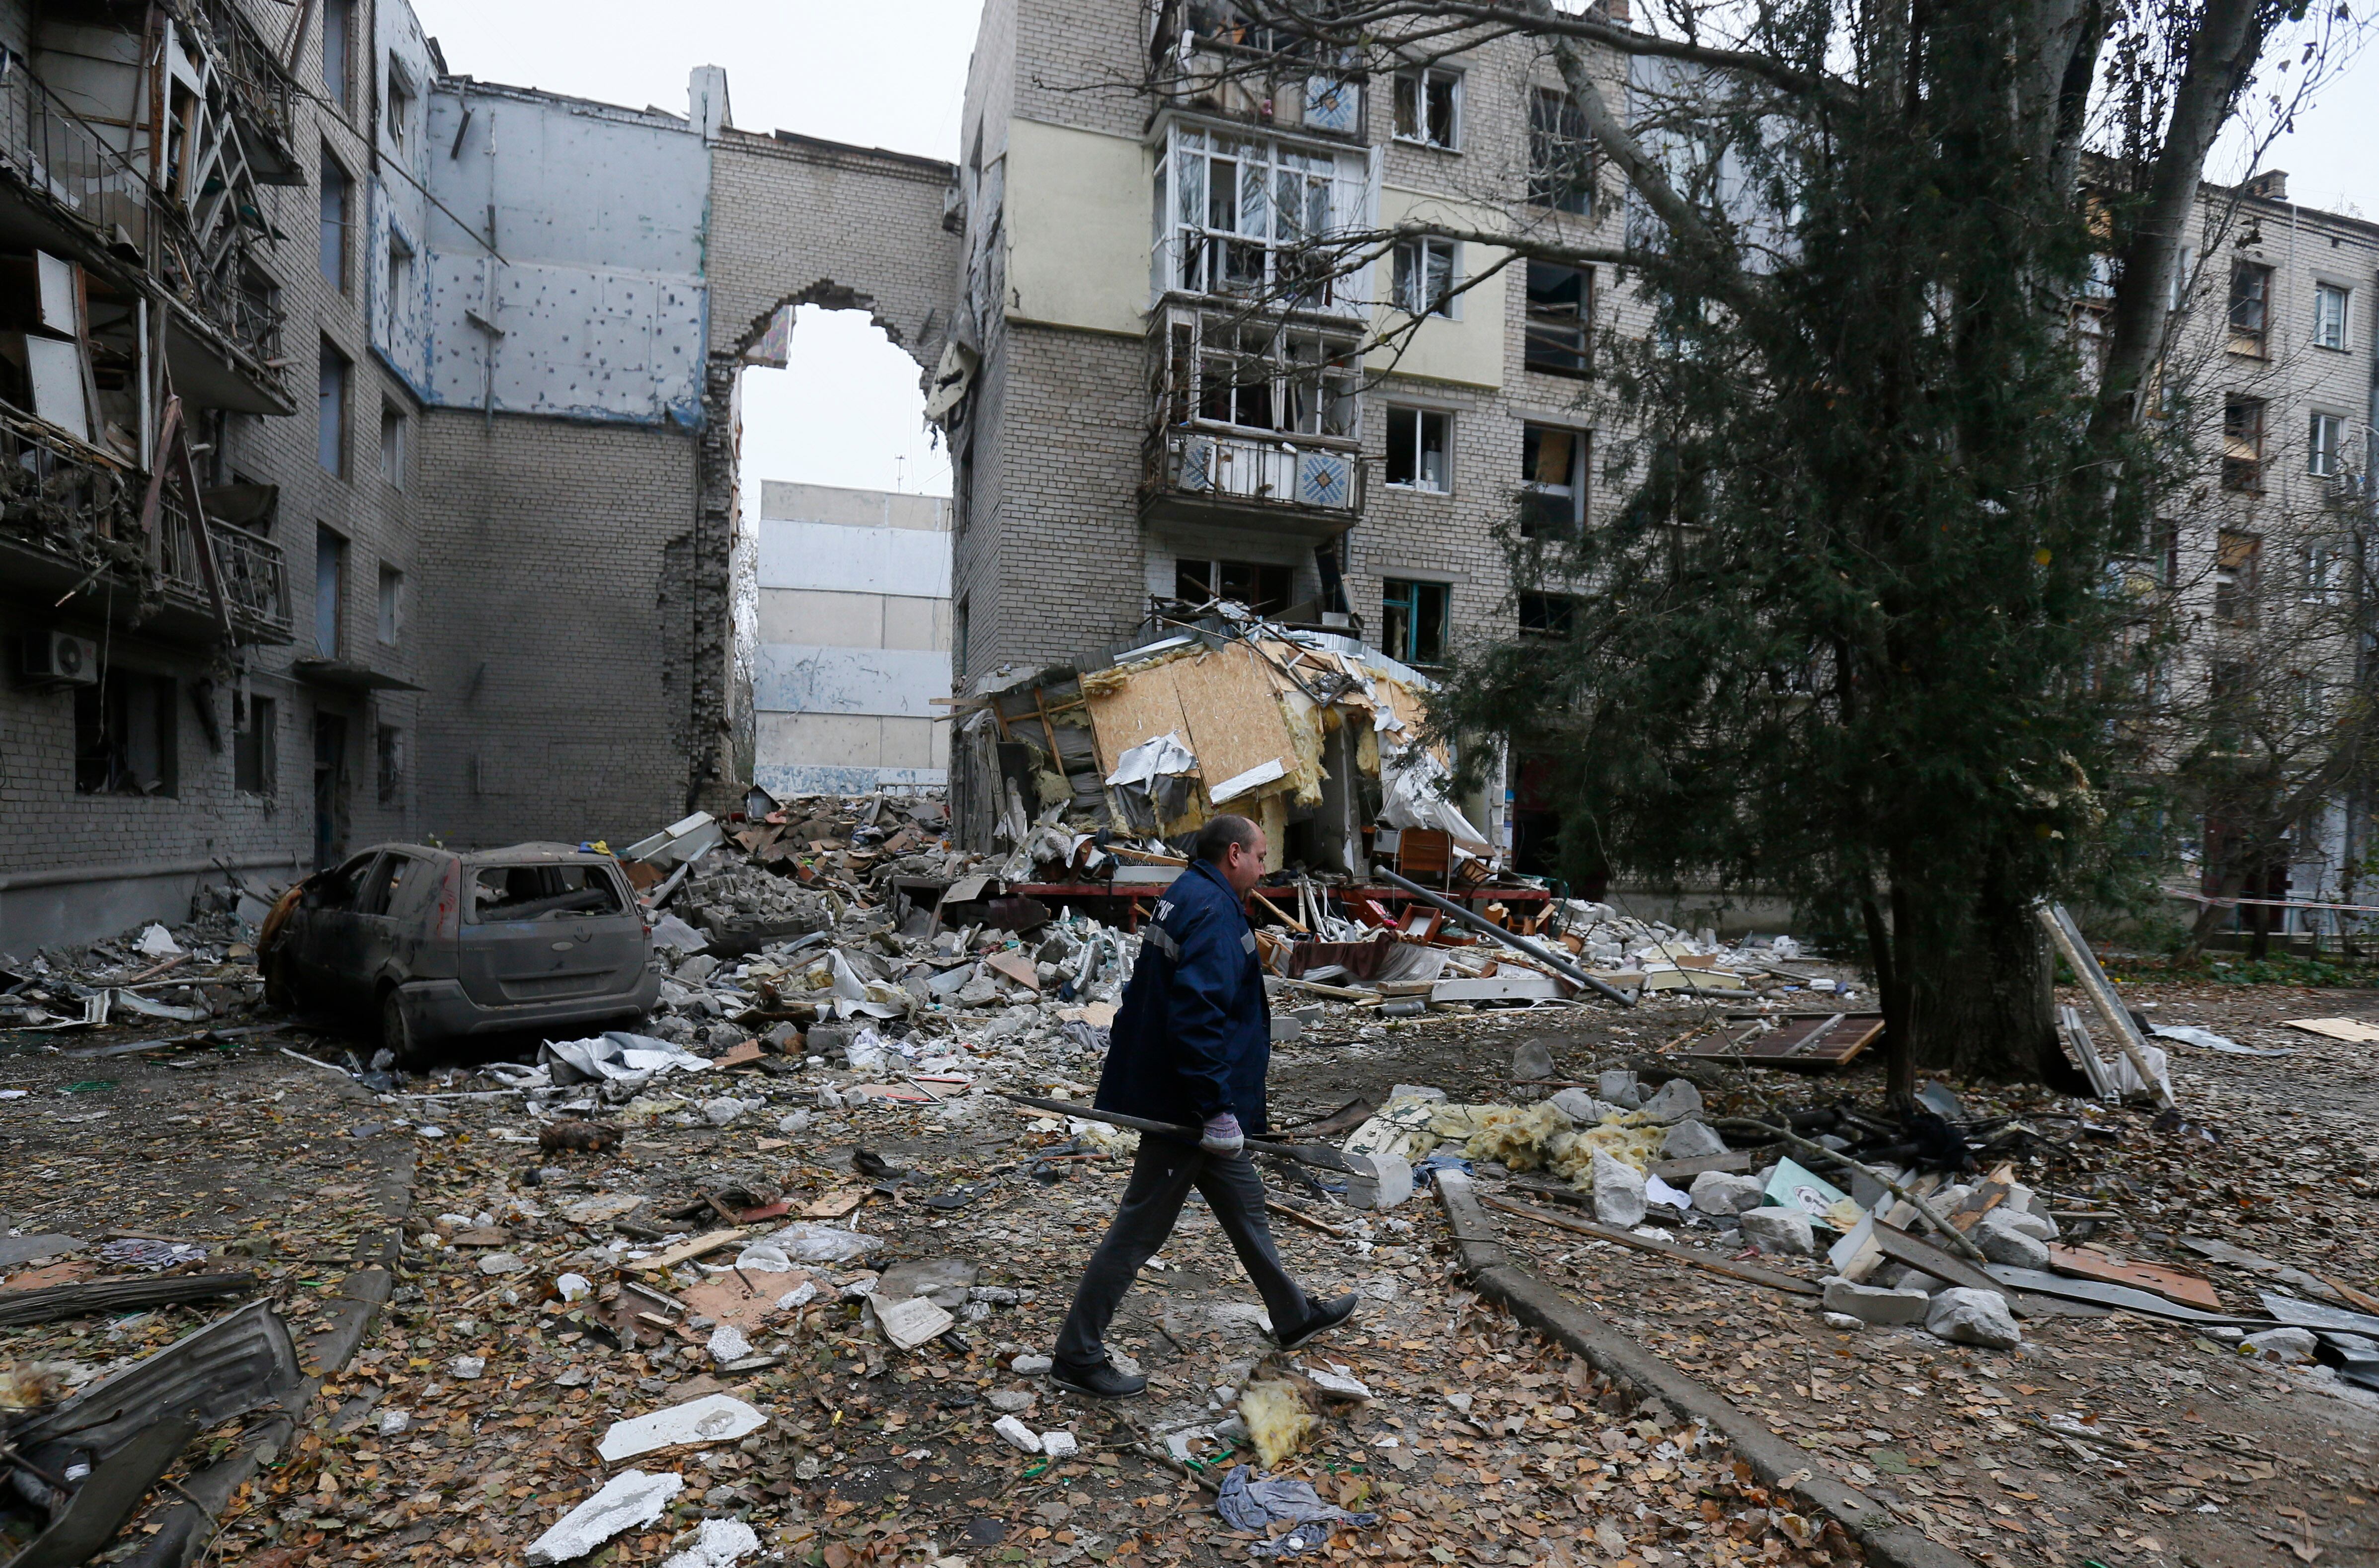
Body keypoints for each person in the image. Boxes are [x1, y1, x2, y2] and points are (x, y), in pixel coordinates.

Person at [1047, 813, 1355, 1399]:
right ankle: (1077, 1353)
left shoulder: (1187, 894)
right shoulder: (1213, 911)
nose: (1266, 868)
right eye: (1261, 857)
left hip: (1189, 1098)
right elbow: (1196, 1018)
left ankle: (1293, 1316)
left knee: (1246, 1205)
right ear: (1234, 854)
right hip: (1186, 1108)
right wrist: (1214, 1108)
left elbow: (1150, 996)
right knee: (1137, 1232)